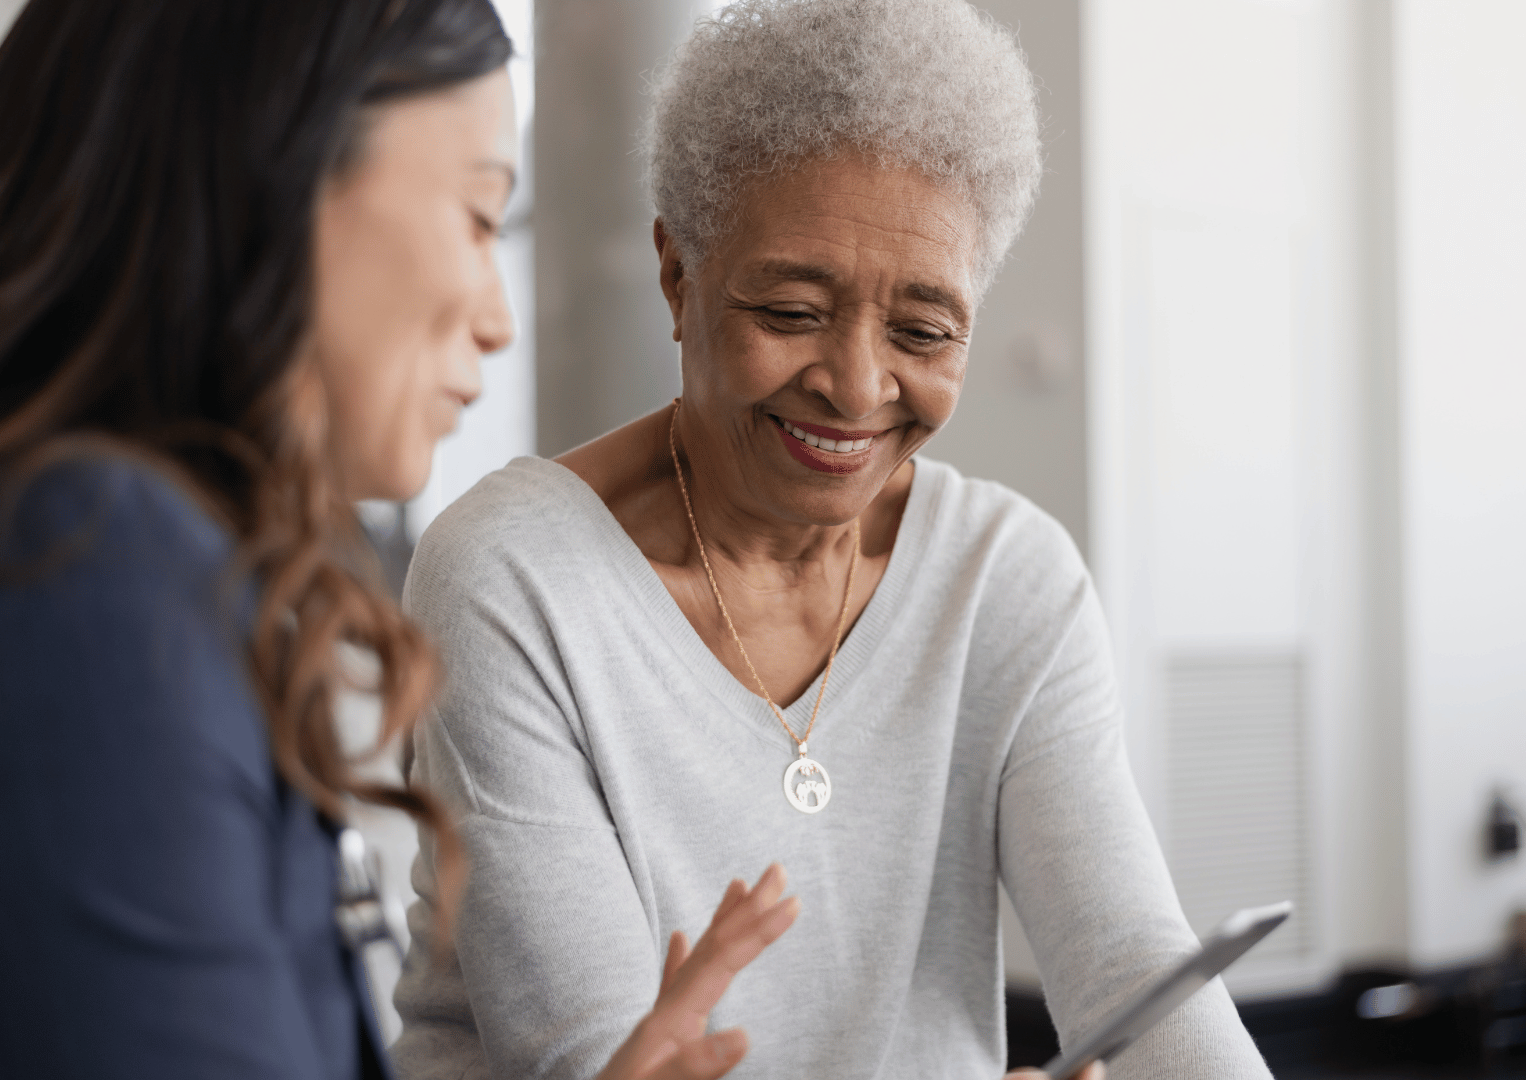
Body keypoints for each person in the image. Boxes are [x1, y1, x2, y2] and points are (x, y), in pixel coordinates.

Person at [0, 2, 796, 1078]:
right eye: (477, 217)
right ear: (273, 181)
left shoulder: (62, 552)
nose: (495, 317)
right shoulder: (68, 577)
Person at [392, 0, 1269, 1078]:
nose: (857, 387)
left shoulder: (1007, 580)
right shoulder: (512, 578)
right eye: (792, 311)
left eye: (922, 332)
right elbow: (595, 1057)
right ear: (680, 274)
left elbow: (1134, 960)